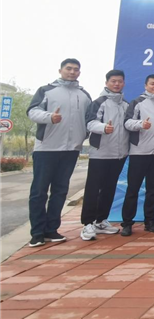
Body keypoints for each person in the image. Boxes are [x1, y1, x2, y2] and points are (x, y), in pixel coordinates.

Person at [27, 58, 92, 247]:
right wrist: (49, 117)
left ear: (79, 73)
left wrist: (82, 137)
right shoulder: (46, 90)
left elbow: (89, 119)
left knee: (60, 190)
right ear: (60, 70)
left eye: (76, 69)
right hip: (47, 148)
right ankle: (37, 232)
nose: (72, 72)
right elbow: (32, 111)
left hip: (71, 149)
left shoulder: (84, 95)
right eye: (69, 68)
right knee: (39, 191)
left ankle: (51, 229)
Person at [121, 74, 154, 236]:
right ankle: (127, 223)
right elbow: (127, 123)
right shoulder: (137, 103)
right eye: (152, 84)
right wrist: (141, 124)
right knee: (133, 189)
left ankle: (150, 221)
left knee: (153, 189)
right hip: (139, 152)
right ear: (146, 85)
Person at [81, 69, 129, 241]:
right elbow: (89, 123)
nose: (117, 84)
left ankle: (101, 220)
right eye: (113, 81)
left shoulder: (126, 105)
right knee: (93, 188)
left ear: (124, 83)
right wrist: (103, 128)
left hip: (119, 154)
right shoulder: (99, 102)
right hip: (100, 153)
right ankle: (87, 223)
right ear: (107, 82)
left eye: (120, 81)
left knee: (109, 187)